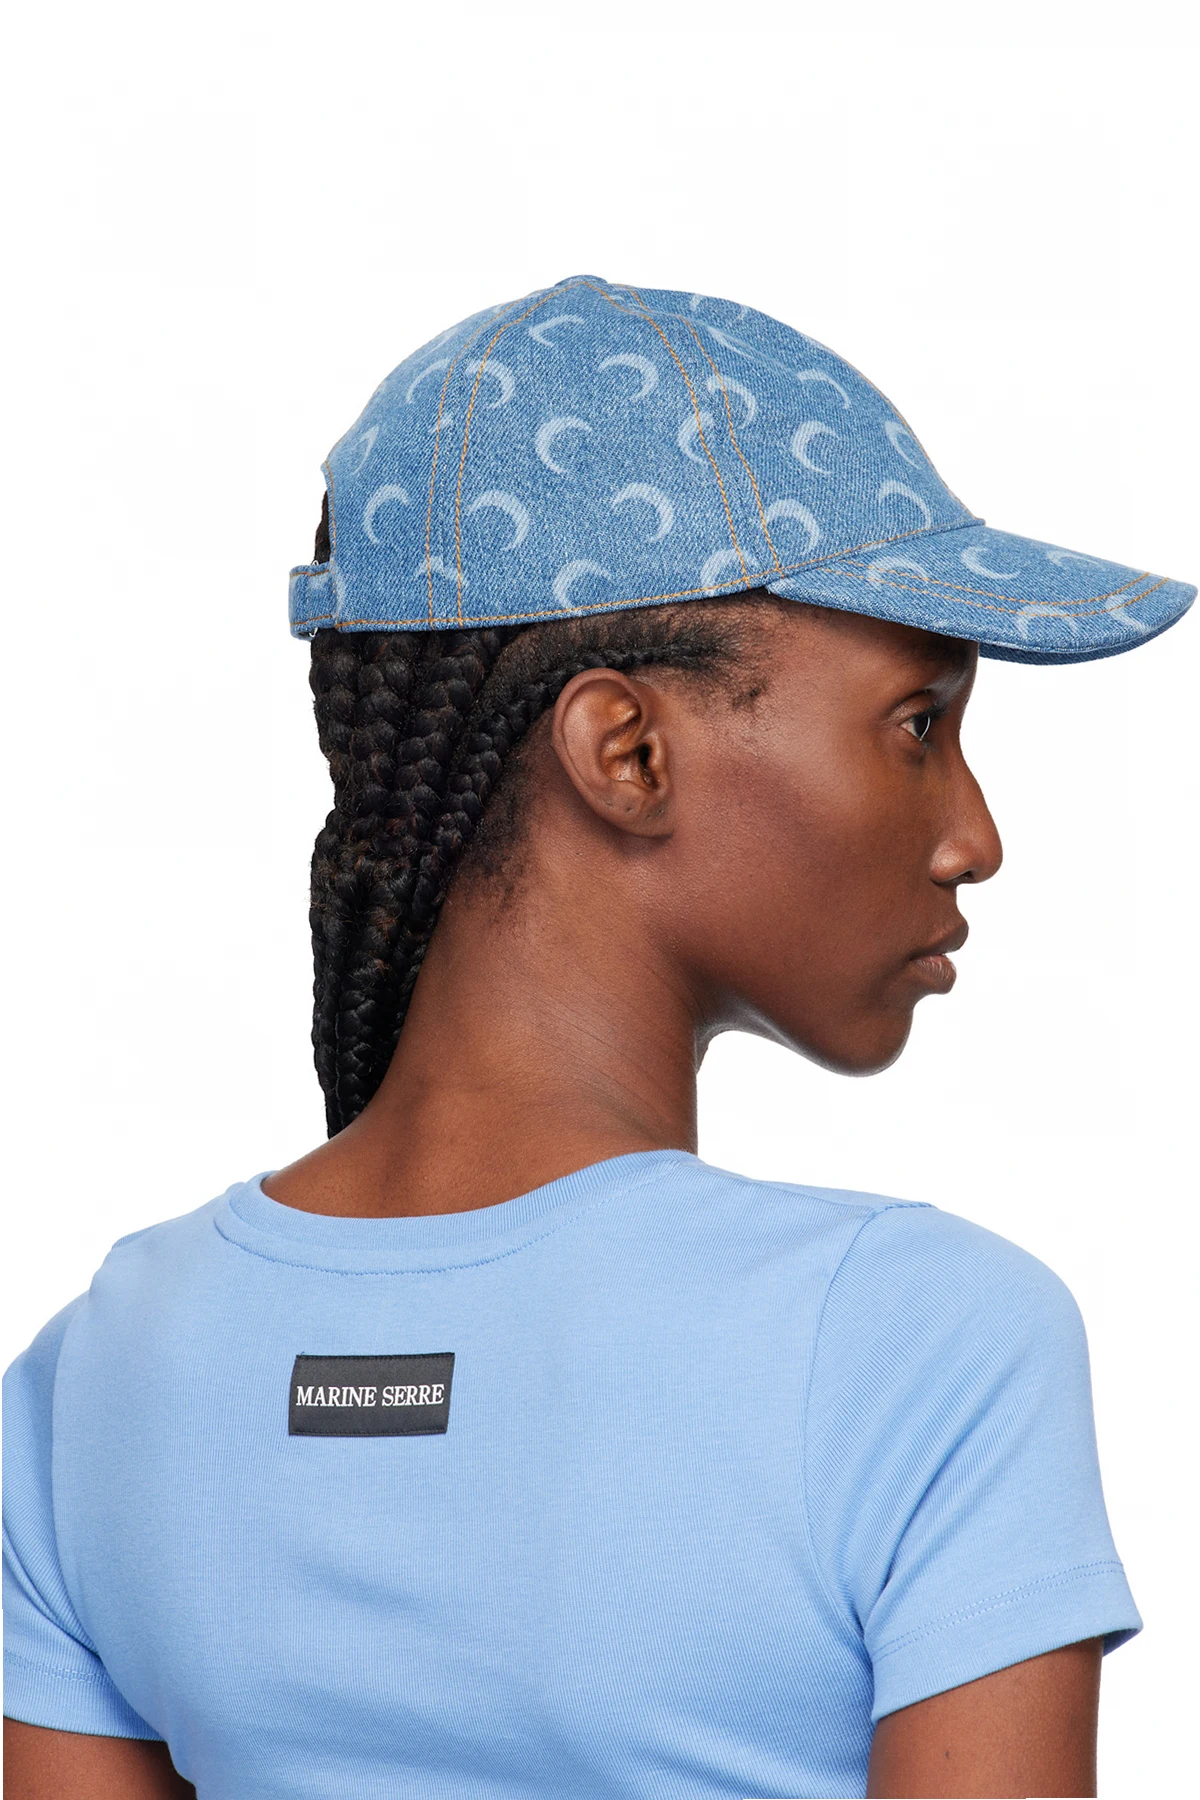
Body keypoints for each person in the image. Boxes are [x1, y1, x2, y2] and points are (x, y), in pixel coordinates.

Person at [3, 277, 1193, 1800]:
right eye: (918, 725)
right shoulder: (917, 1340)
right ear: (626, 752)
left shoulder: (94, 1378)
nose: (975, 836)